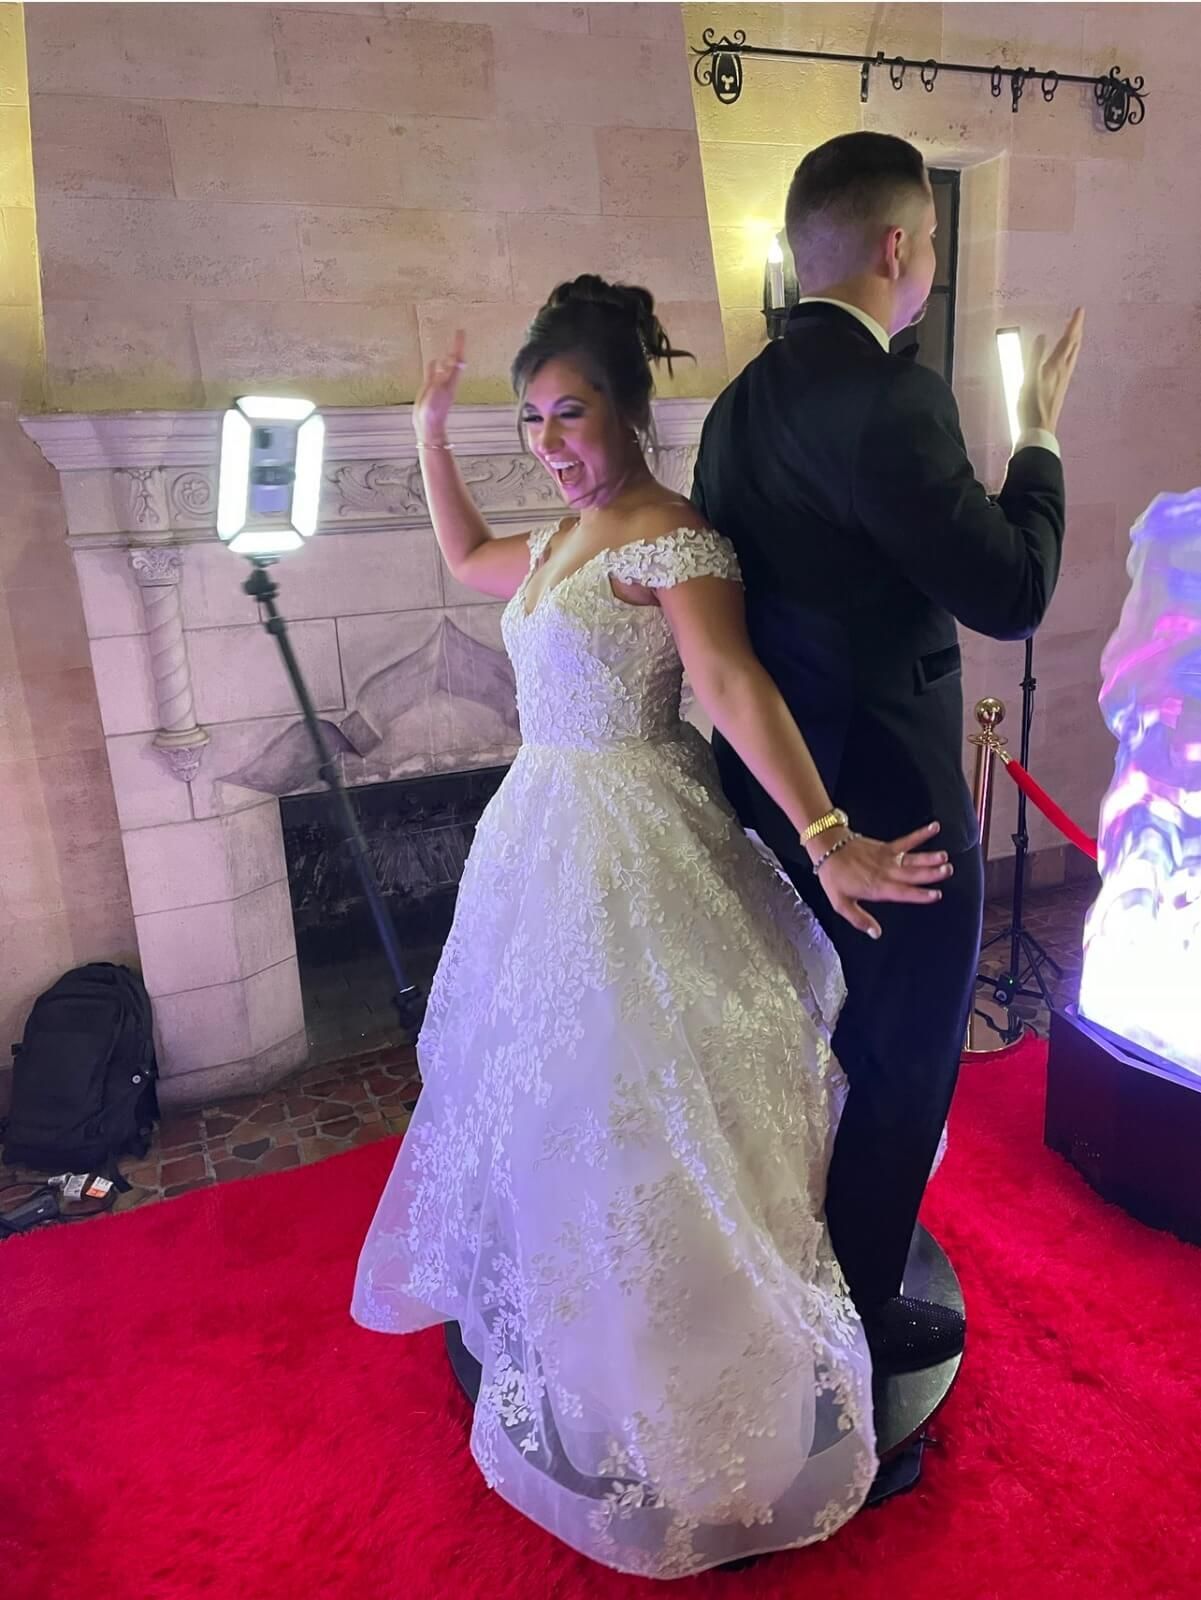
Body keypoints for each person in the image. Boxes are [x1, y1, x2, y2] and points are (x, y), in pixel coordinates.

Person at [352, 275, 951, 1578]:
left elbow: (729, 683)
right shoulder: (560, 540)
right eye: (532, 422)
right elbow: (465, 561)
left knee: (660, 1100)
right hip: (542, 835)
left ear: (627, 410)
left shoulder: (671, 538)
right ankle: (596, 1333)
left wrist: (820, 828)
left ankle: (697, 1362)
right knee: (564, 1098)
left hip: (644, 833)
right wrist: (431, 433)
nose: (553, 444)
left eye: (570, 414)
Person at [691, 131, 1083, 1372]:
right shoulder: (893, 396)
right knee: (906, 1057)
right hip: (892, 811)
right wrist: (1038, 440)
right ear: (900, 246)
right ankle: (853, 1317)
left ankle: (805, 1260)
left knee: (820, 1043)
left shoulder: (739, 398)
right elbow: (1010, 588)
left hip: (772, 787)